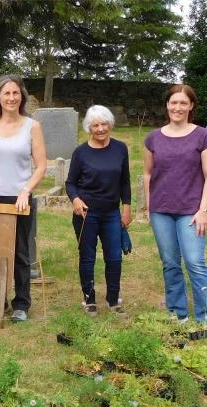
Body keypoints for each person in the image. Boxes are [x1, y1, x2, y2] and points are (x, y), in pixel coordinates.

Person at [0, 74, 47, 322]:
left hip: (19, 199)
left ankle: (22, 304)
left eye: (15, 93)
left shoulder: (31, 126)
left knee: (20, 252)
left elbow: (41, 165)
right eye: (6, 93)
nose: (11, 98)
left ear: (21, 96)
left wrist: (26, 191)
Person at [143, 84, 207, 327]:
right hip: (161, 210)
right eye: (174, 103)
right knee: (170, 263)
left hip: (191, 211)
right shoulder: (153, 138)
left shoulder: (203, 136)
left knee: (195, 262)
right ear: (167, 105)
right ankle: (177, 314)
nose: (178, 107)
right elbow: (147, 174)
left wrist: (203, 209)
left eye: (183, 103)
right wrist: (148, 204)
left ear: (191, 106)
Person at [66, 105, 132, 316]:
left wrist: (127, 209)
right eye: (96, 125)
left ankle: (113, 299)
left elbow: (125, 182)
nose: (101, 129)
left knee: (114, 257)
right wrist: (75, 200)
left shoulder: (121, 149)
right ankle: (89, 299)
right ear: (89, 128)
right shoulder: (80, 152)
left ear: (110, 125)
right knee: (87, 257)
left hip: (112, 212)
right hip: (87, 214)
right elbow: (70, 183)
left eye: (104, 124)